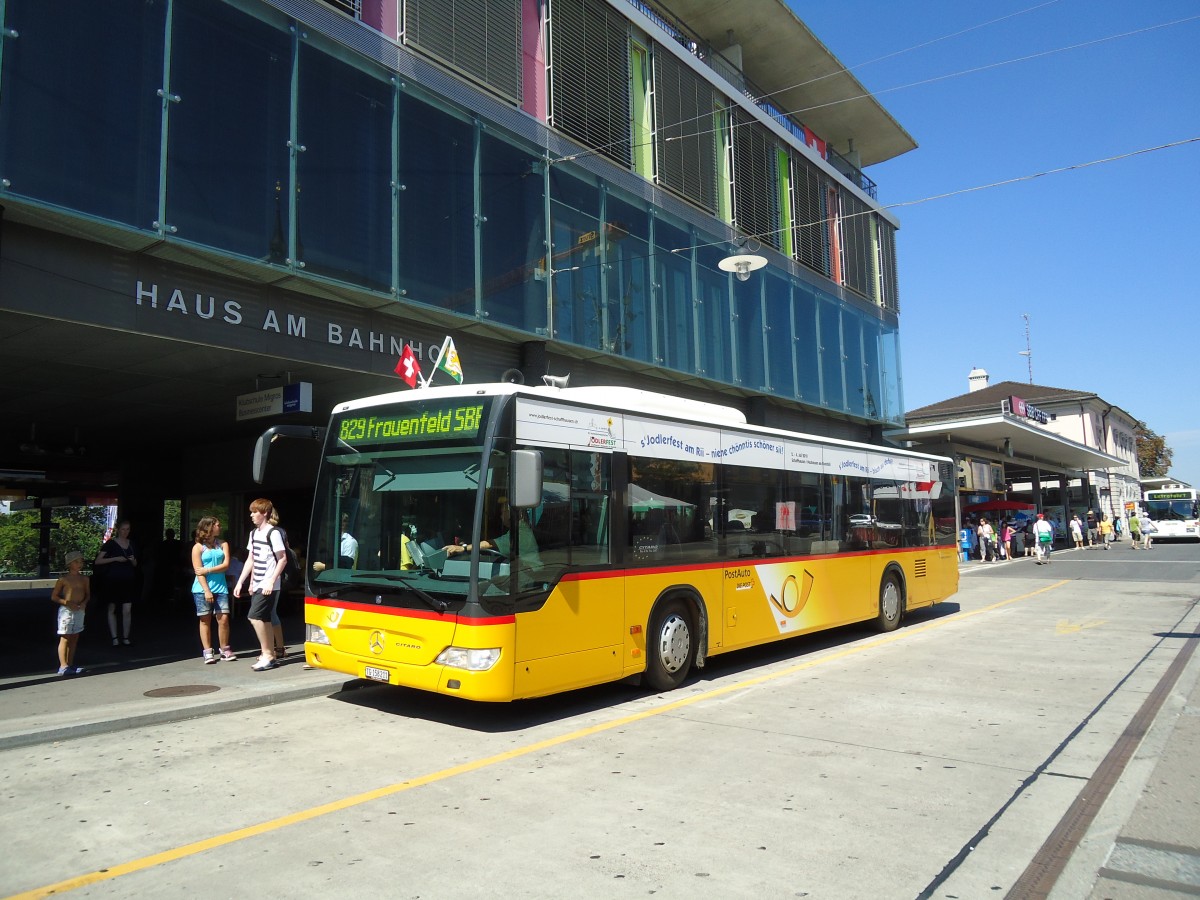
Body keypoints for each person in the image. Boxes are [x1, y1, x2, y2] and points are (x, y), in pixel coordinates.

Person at [233, 498, 287, 671]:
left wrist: (271, 581)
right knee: (264, 619)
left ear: (264, 513)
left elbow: (282, 559)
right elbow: (251, 559)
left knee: (254, 617)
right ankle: (269, 654)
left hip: (268, 584)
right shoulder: (254, 534)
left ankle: (268, 654)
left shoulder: (274, 533)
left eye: (255, 512)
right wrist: (242, 581)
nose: (251, 515)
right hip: (258, 583)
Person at [445, 496, 541, 566]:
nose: (500, 516)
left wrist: (463, 548)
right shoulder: (518, 529)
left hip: (530, 575)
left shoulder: (520, 532)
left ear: (512, 514)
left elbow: (489, 544)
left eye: (502, 512)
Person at [190, 516, 235, 663]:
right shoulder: (198, 547)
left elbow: (226, 565)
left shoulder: (223, 544)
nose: (219, 527)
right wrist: (207, 590)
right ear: (209, 527)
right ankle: (208, 651)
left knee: (224, 619)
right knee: (205, 619)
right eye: (217, 525)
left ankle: (224, 648)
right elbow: (198, 571)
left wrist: (208, 570)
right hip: (202, 589)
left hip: (221, 587)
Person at [94, 519, 138, 645]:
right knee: (112, 607)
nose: (126, 532)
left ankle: (125, 637)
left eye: (128, 529)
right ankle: (115, 637)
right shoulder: (110, 544)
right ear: (118, 529)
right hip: (113, 579)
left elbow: (135, 563)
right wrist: (115, 559)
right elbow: (98, 561)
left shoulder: (132, 544)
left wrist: (132, 560)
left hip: (128, 579)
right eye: (123, 529)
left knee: (127, 608)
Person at [51, 550, 90, 676]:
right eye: (76, 562)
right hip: (67, 610)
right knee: (65, 637)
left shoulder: (84, 579)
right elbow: (54, 596)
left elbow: (88, 594)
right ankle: (63, 665)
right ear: (70, 564)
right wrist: (67, 602)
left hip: (79, 609)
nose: (79, 564)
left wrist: (84, 602)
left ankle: (70, 664)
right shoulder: (63, 579)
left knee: (75, 637)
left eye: (81, 561)